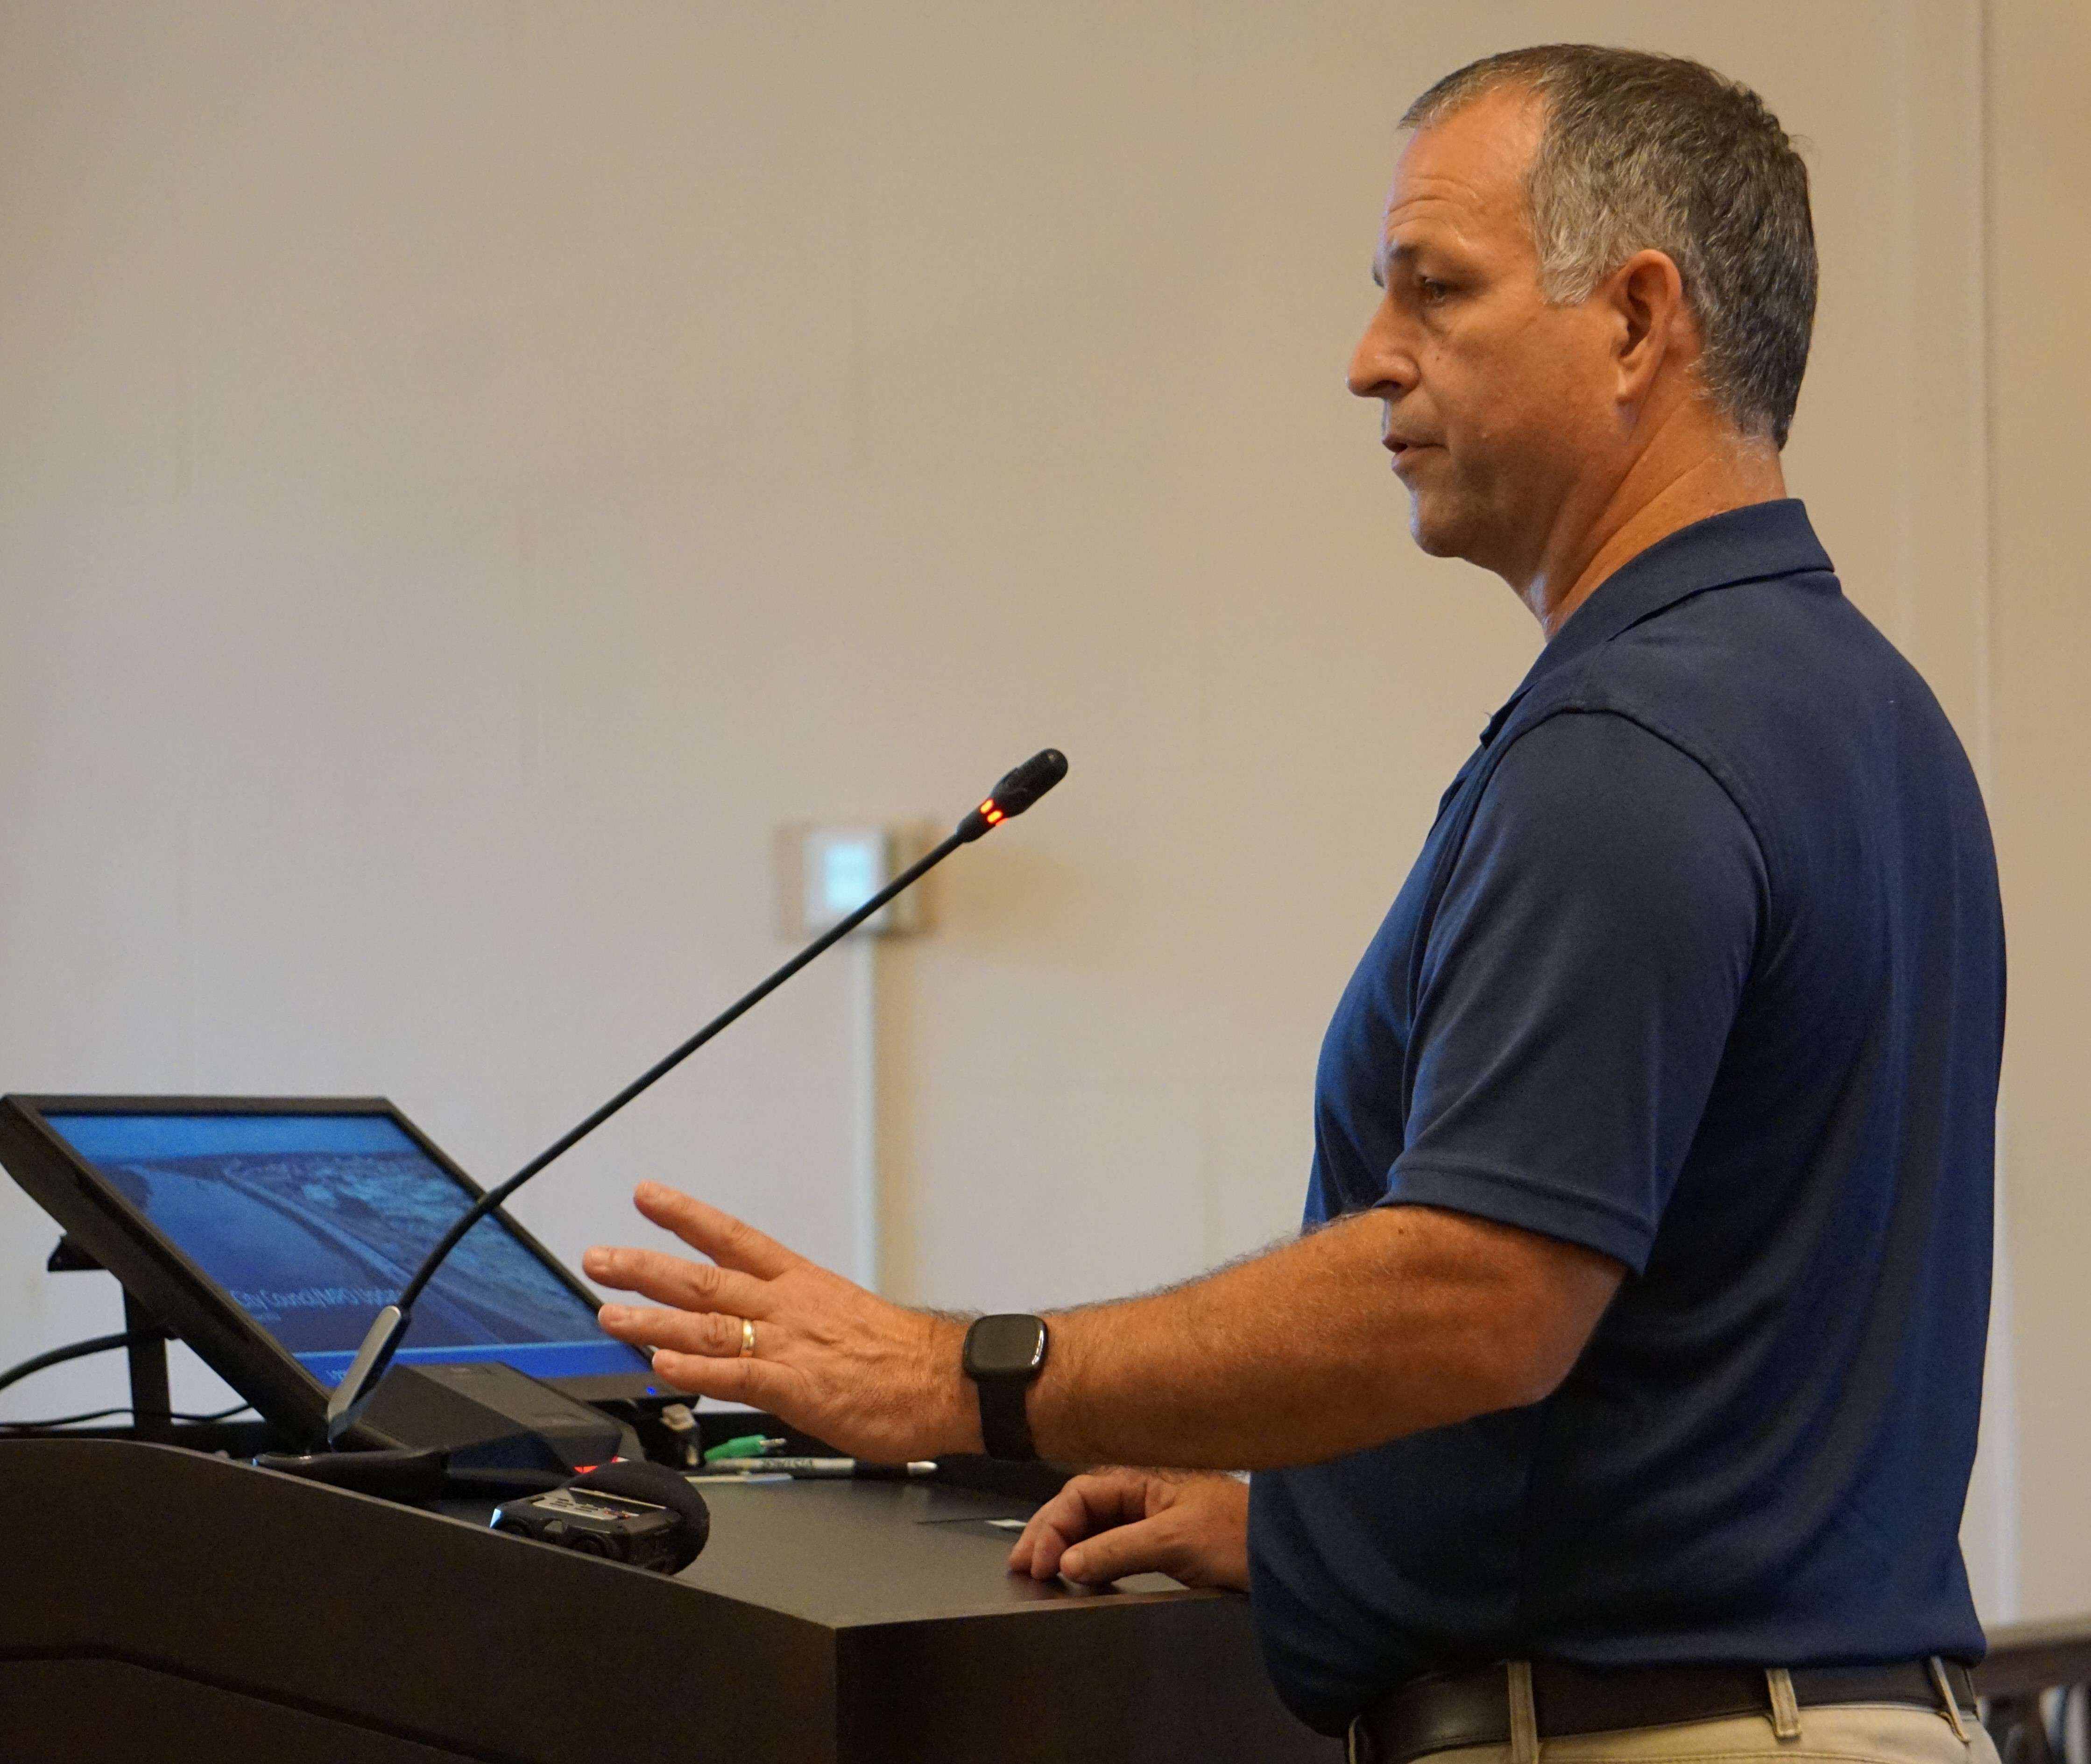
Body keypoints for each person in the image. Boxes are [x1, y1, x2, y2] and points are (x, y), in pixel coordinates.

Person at [583, 44, 2006, 1764]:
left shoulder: (1631, 742)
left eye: (1435, 289)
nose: (1368, 358)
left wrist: (958, 1373)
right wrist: (1321, 1534)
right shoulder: (1872, 711)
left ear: (1638, 323)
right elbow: (1711, 1355)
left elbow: (1478, 1293)